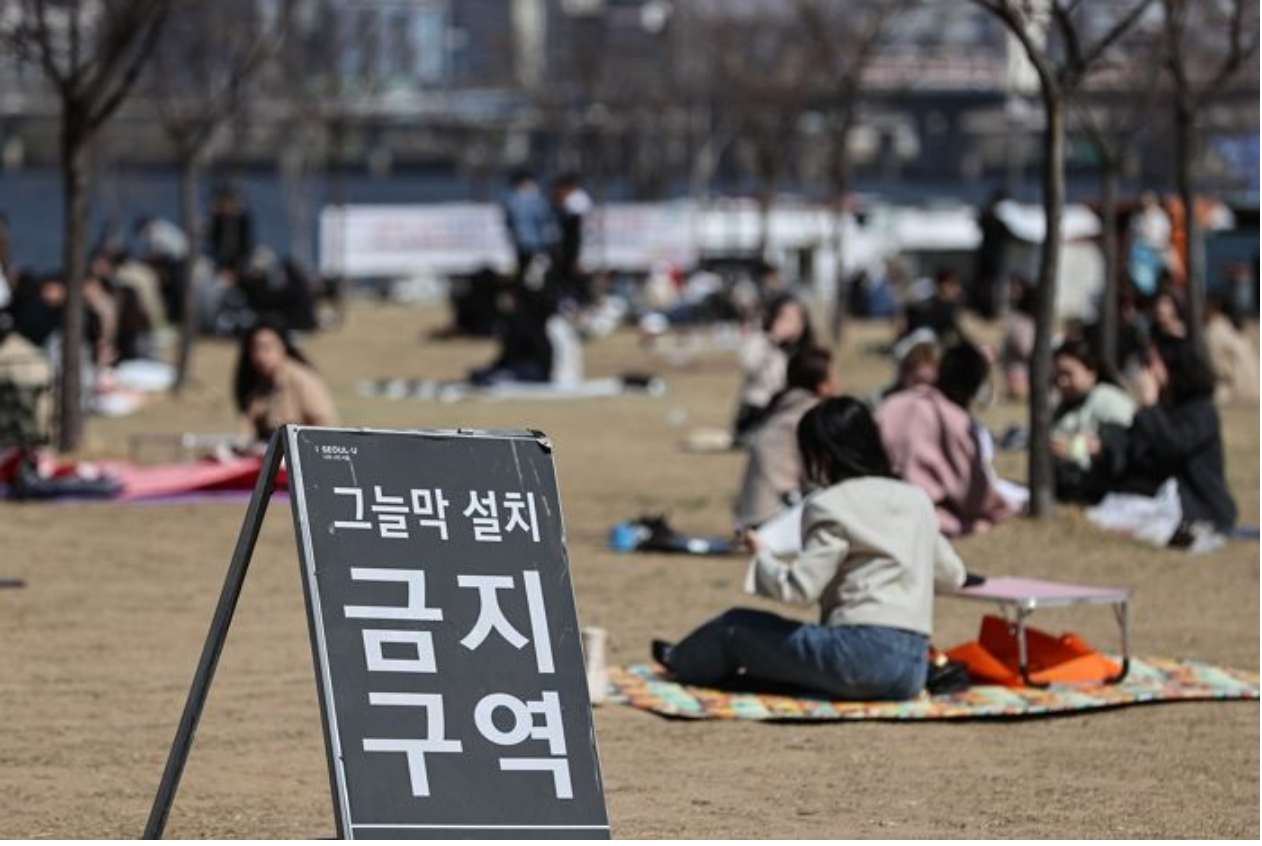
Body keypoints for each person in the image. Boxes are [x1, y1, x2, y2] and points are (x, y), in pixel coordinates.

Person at [652, 397, 974, 701]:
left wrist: (763, 555)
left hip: (856, 659)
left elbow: (801, 589)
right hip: (910, 671)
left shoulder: (830, 505)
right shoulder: (916, 499)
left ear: (824, 455)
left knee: (735, 628)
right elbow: (952, 576)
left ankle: (681, 661)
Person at [876, 341, 1015, 536]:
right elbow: (972, 494)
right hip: (919, 507)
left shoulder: (892, 404)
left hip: (878, 500)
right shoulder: (954, 419)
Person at [1113, 337, 1237, 544]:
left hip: (1203, 510)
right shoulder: (1159, 411)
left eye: (1151, 363)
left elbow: (1173, 447)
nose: (1145, 372)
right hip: (1162, 504)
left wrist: (1150, 407)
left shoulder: (1202, 411)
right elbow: (1136, 459)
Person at [733, 346, 835, 531]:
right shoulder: (809, 415)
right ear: (822, 385)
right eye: (833, 377)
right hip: (775, 516)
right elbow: (819, 476)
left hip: (751, 514)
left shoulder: (783, 406)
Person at [1050, 338, 1136, 503]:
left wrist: (1074, 450)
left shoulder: (1108, 399)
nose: (1062, 381)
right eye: (1058, 374)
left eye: (1068, 374)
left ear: (1091, 372)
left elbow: (1124, 447)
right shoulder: (1064, 406)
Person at [233, 318, 337, 442]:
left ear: (283, 346)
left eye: (267, 347)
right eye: (255, 349)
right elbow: (248, 431)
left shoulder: (301, 379)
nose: (261, 356)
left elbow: (326, 427)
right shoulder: (260, 386)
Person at [733, 293, 815, 442]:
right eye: (786, 318)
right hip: (758, 412)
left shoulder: (806, 352)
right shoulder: (760, 342)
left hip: (792, 413)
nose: (792, 324)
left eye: (797, 319)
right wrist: (773, 340)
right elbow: (749, 365)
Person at [1204, 293, 1258, 404]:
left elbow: (1217, 367)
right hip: (1250, 388)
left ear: (1213, 307)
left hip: (1230, 390)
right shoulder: (1230, 328)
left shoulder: (1215, 330)